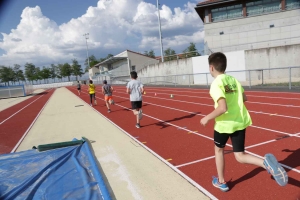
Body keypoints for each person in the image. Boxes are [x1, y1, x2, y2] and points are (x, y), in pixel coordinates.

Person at [200, 52, 288, 192]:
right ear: (224, 66)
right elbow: (244, 97)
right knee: (240, 156)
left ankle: (221, 182)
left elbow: (222, 108)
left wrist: (207, 118)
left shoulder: (216, 84)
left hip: (224, 124)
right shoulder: (233, 80)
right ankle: (265, 164)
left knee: (219, 150)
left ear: (211, 68)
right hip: (240, 122)